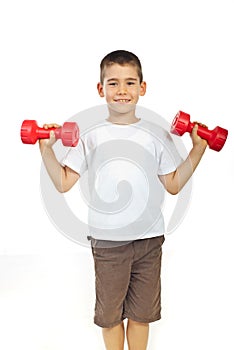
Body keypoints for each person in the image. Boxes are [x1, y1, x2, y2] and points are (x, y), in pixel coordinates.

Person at [39, 50, 207, 350]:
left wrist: (197, 149)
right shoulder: (89, 135)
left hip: (150, 240)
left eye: (130, 83)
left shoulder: (158, 135)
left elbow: (172, 185)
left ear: (142, 88)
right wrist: (46, 149)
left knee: (142, 315)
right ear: (101, 89)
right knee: (110, 316)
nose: (122, 91)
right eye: (113, 83)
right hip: (108, 242)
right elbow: (64, 182)